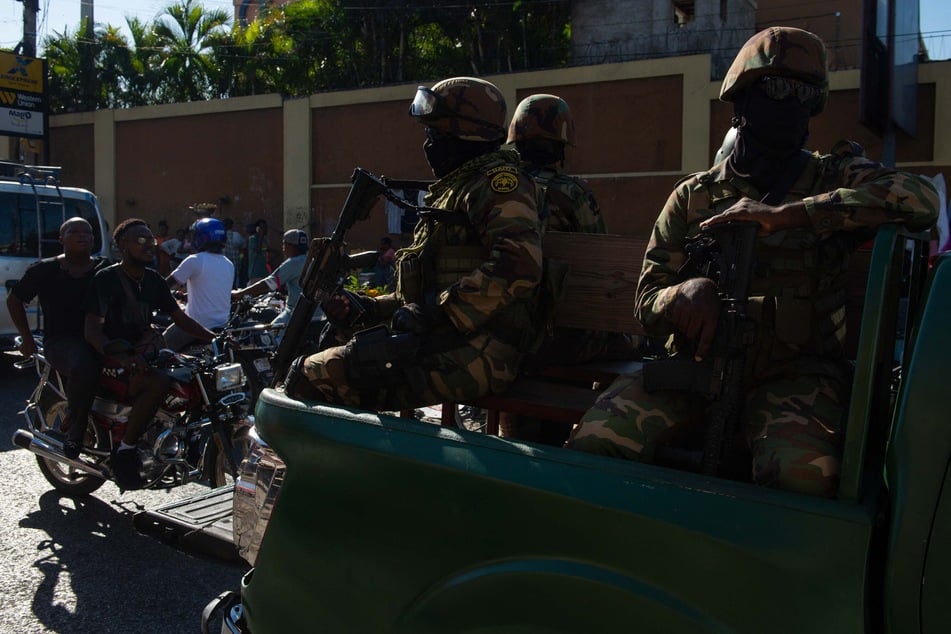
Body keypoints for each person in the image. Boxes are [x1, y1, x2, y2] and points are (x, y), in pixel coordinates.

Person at [565, 27, 940, 498]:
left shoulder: (830, 175)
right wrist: (684, 293)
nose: (791, 103)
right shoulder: (693, 196)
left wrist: (788, 216)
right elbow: (645, 299)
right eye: (777, 89)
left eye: (805, 93)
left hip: (795, 375)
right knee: (595, 446)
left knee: (803, 479)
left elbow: (921, 200)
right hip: (696, 367)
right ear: (740, 103)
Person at [285, 76, 544, 411]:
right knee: (334, 341)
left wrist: (435, 310)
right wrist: (371, 307)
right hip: (449, 338)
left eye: (435, 134)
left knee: (311, 376)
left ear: (462, 135)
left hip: (487, 349)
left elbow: (520, 265)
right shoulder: (456, 188)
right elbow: (426, 292)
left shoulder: (498, 184)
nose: (428, 145)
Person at [84, 218, 217, 490]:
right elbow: (92, 331)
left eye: (152, 240)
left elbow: (181, 319)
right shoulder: (106, 279)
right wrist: (119, 354)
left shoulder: (153, 280)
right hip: (111, 356)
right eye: (141, 240)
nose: (150, 246)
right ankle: (126, 449)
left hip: (142, 353)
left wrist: (216, 339)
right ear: (123, 245)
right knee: (158, 381)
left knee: (190, 376)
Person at [6, 217, 109, 459]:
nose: (82, 235)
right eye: (74, 231)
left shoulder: (105, 268)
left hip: (101, 337)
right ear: (61, 239)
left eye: (88, 232)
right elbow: (15, 299)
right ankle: (76, 429)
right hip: (63, 341)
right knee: (85, 366)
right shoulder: (44, 269)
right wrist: (27, 338)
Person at [163, 218, 234, 350]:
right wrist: (186, 296)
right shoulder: (229, 264)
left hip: (197, 325)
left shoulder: (195, 260)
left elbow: (164, 286)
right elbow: (211, 289)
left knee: (159, 348)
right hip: (222, 325)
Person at [233, 229, 310, 332]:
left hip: (295, 314)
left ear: (291, 245)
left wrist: (241, 293)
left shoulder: (293, 263)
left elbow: (270, 283)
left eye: (284, 244)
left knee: (270, 334)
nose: (283, 248)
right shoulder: (311, 260)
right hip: (315, 314)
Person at [222, 218, 246, 289]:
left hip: (223, 266)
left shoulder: (219, 236)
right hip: (234, 265)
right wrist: (241, 256)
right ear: (232, 225)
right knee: (234, 285)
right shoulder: (236, 236)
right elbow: (244, 247)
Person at [247, 219, 269, 283]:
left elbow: (265, 250)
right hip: (255, 273)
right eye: (263, 227)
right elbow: (258, 250)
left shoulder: (264, 239)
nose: (265, 229)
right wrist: (261, 235)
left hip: (264, 272)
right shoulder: (252, 239)